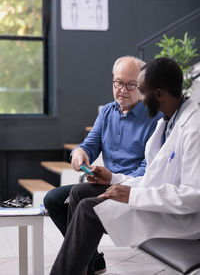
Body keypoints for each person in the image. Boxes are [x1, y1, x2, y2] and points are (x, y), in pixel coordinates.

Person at [49, 57, 200, 275]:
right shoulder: (168, 122)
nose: (139, 97)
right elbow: (153, 179)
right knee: (81, 195)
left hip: (181, 220)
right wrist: (113, 180)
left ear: (158, 94)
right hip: (157, 202)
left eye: (140, 90)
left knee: (89, 210)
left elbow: (194, 196)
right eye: (119, 83)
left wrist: (131, 195)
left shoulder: (193, 128)